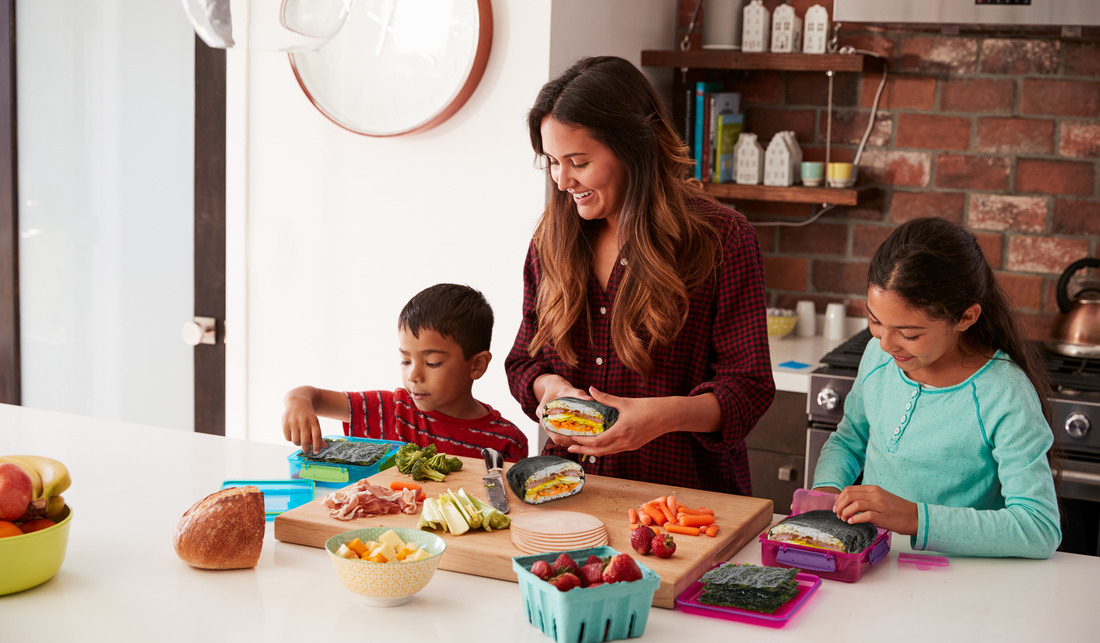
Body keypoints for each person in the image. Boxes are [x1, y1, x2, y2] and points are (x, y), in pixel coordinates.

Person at [504, 56, 774, 496]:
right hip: (572, 496)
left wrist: (661, 418)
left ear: (634, 147)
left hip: (685, 505)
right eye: (552, 161)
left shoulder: (721, 238)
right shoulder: (550, 241)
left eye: (578, 161)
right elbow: (523, 361)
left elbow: (748, 388)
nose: (563, 180)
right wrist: (548, 386)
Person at [812, 217, 1061, 558]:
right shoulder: (879, 356)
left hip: (959, 583)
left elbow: (1039, 527)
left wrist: (915, 518)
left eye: (910, 334)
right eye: (875, 321)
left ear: (965, 318)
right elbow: (850, 437)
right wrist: (826, 490)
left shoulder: (1004, 394)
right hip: (876, 564)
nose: (885, 344)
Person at [282, 283, 529, 462]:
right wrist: (297, 402)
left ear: (477, 365)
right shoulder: (389, 409)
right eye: (405, 360)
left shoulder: (507, 441)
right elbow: (312, 396)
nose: (413, 375)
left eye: (432, 363)